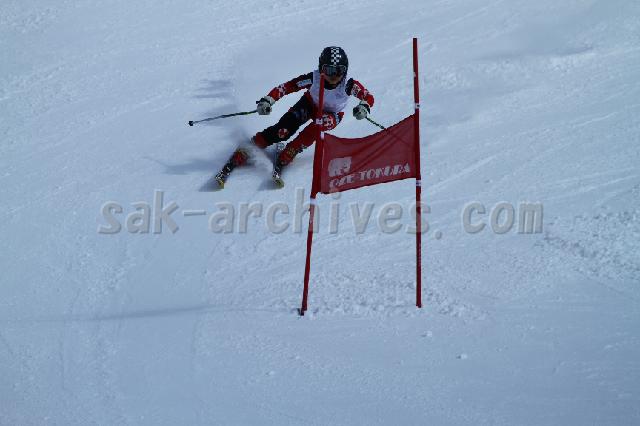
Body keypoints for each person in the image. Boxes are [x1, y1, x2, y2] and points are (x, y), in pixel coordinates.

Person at [215, 46, 375, 187]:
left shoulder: (348, 84)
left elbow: (368, 97)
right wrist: (268, 100)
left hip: (332, 115)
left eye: (339, 71)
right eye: (329, 70)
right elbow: (288, 86)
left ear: (345, 70)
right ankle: (251, 146)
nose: (334, 76)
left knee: (319, 125)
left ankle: (290, 151)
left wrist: (363, 107)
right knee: (282, 131)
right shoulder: (314, 78)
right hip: (309, 104)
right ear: (321, 69)